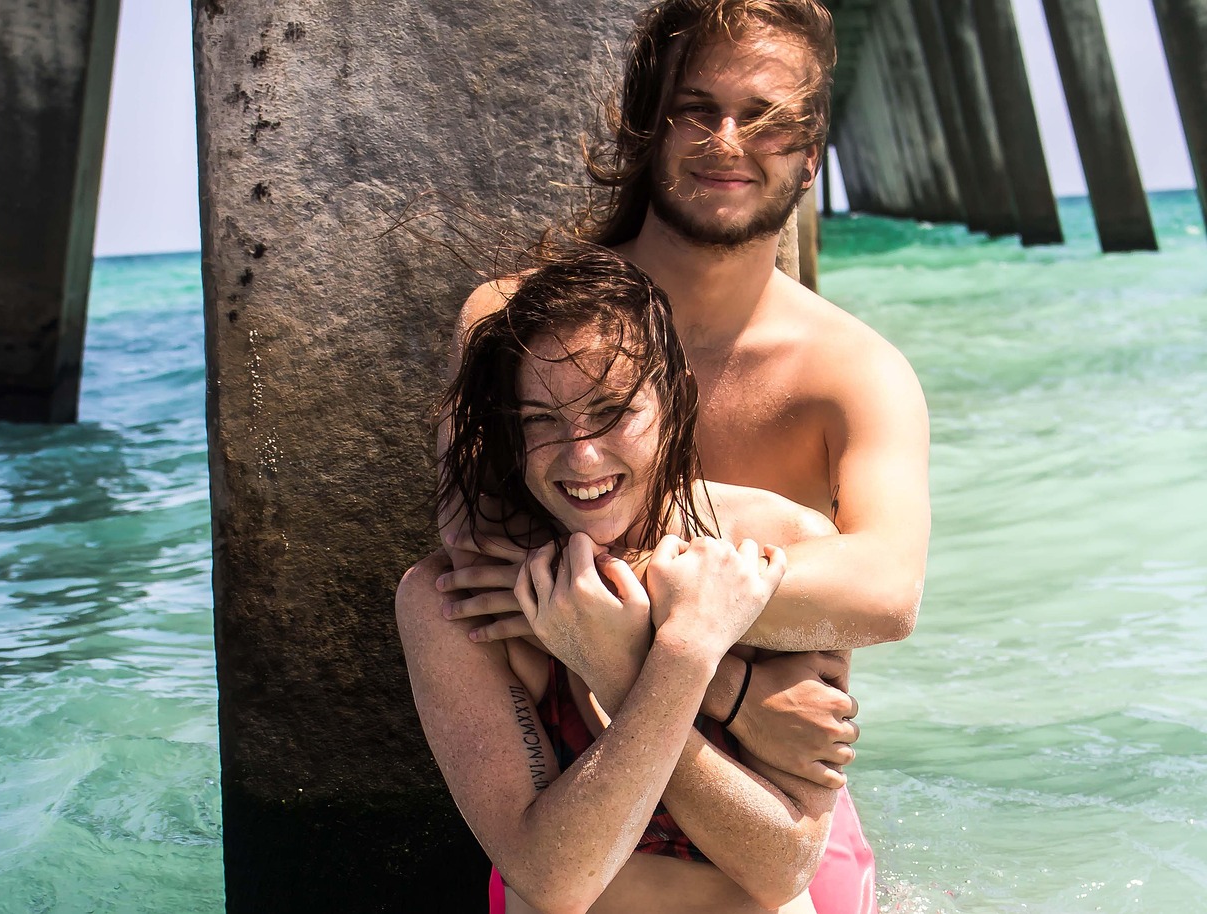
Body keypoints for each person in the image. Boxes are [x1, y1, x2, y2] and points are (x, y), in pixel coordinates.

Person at [435, 2, 932, 912]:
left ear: (813, 148)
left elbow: (885, 596)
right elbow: (483, 563)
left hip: (769, 813)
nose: (727, 140)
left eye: (768, 116)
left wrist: (623, 615)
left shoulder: (850, 372)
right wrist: (739, 681)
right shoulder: (516, 326)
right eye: (695, 108)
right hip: (585, 794)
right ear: (647, 125)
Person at [398, 245, 853, 913]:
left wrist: (621, 662)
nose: (582, 456)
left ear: (674, 400)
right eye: (542, 421)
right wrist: (683, 653)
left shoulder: (776, 548)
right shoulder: (454, 606)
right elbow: (554, 880)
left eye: (613, 412)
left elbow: (782, 866)